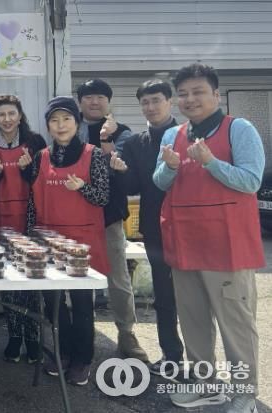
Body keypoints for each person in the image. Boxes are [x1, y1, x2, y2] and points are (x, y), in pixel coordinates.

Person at [153, 63, 263, 413]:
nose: (190, 99)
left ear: (216, 94)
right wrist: (170, 167)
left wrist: (212, 162)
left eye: (198, 91)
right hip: (185, 243)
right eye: (183, 93)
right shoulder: (172, 135)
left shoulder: (238, 129)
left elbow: (251, 181)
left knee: (236, 325)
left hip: (226, 246)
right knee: (194, 322)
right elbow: (159, 182)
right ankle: (206, 384)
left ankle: (244, 392)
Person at [28, 96, 110, 386]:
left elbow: (103, 197)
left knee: (82, 303)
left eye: (66, 119)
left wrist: (82, 187)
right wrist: (30, 237)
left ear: (77, 122)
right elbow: (32, 201)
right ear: (48, 126)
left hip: (82, 242)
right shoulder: (41, 157)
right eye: (54, 120)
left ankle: (82, 359)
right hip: (49, 240)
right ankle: (62, 353)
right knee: (54, 302)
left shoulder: (93, 154)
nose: (60, 125)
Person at [113, 80, 184, 376]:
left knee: (197, 295)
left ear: (170, 102)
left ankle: (202, 356)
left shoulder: (188, 136)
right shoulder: (135, 143)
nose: (151, 107)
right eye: (145, 102)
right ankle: (172, 355)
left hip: (192, 226)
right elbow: (133, 187)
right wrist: (121, 171)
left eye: (156, 100)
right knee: (164, 295)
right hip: (155, 227)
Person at [75, 78, 149, 362]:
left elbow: (120, 168)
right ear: (80, 101)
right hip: (73, 216)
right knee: (75, 277)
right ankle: (79, 333)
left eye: (100, 97)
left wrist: (107, 142)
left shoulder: (123, 132)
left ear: (109, 102)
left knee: (117, 278)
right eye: (88, 97)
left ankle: (126, 333)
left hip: (109, 216)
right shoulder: (69, 126)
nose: (94, 102)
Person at [0, 94, 46, 364]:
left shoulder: (36, 142)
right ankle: (14, 337)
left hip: (29, 219)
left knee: (30, 281)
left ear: (20, 116)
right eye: (1, 114)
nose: (7, 119)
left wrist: (27, 170)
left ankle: (33, 339)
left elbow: (44, 180)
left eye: (12, 114)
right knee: (8, 282)